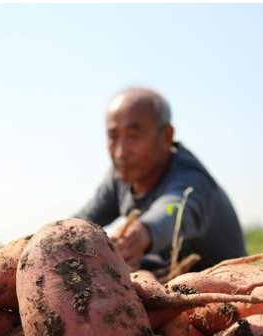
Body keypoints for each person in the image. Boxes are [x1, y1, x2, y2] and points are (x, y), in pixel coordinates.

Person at [76, 87, 246, 271]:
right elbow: (82, 221)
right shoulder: (120, 176)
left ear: (166, 137)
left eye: (133, 136)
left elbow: (172, 207)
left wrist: (143, 232)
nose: (120, 152)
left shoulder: (191, 179)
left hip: (220, 286)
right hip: (161, 277)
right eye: (113, 136)